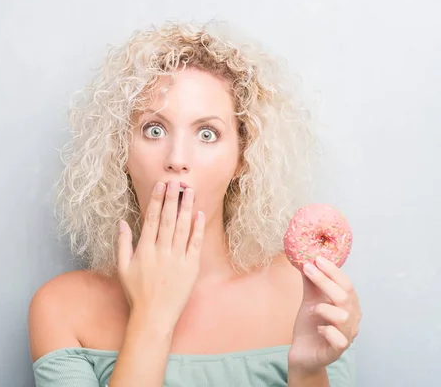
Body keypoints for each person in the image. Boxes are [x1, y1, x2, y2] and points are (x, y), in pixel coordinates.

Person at [28, 20, 361, 386]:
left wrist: (308, 370)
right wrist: (152, 316)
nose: (177, 158)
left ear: (242, 159)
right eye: (154, 130)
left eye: (207, 133)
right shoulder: (61, 309)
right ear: (120, 152)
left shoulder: (303, 294)